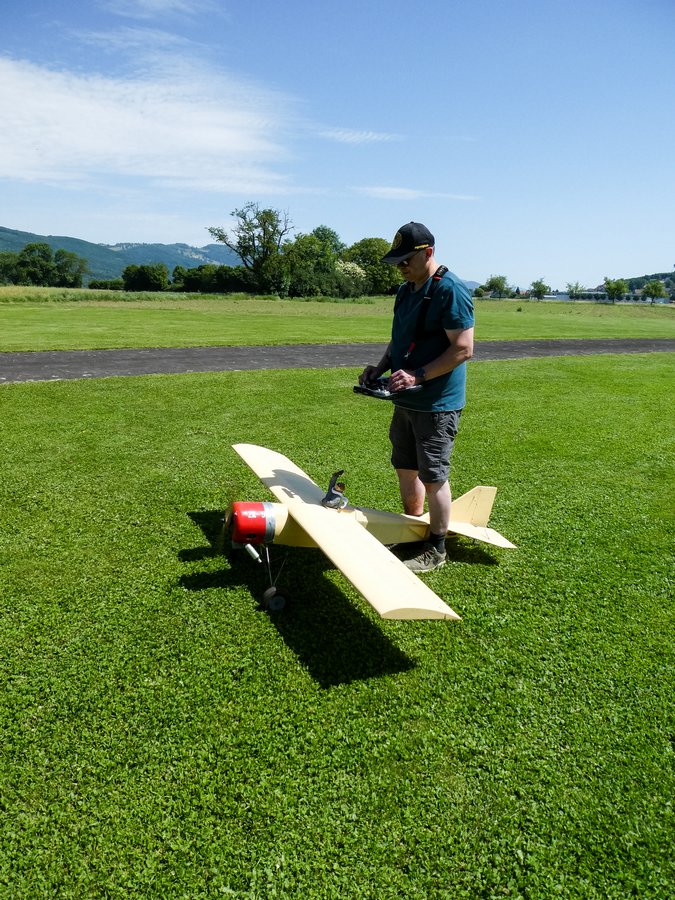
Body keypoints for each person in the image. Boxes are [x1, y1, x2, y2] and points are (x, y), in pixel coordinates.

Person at [359, 222, 474, 572]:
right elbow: (399, 340)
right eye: (397, 262)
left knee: (434, 476)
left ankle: (436, 548)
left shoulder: (451, 291)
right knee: (405, 469)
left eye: (406, 260)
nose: (401, 267)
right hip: (405, 400)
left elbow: (463, 349)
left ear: (428, 253)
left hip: (436, 403)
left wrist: (417, 374)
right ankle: (412, 529)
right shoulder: (406, 290)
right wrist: (379, 369)